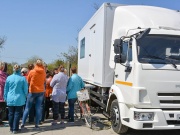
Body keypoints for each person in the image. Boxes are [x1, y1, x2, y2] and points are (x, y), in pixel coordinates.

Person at [21, 59, 46, 129]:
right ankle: (37, 124)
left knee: (27, 107)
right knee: (38, 108)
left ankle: (23, 123)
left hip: (32, 91)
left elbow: (28, 81)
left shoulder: (32, 71)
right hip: (41, 91)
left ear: (35, 64)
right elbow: (44, 81)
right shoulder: (43, 72)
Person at [4, 64, 28, 134]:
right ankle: (15, 129)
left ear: (13, 69)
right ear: (19, 69)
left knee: (11, 114)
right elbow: (25, 89)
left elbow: (6, 89)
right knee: (17, 114)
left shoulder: (8, 78)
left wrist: (5, 97)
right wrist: (26, 95)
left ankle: (11, 128)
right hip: (19, 98)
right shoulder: (22, 78)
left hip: (10, 98)